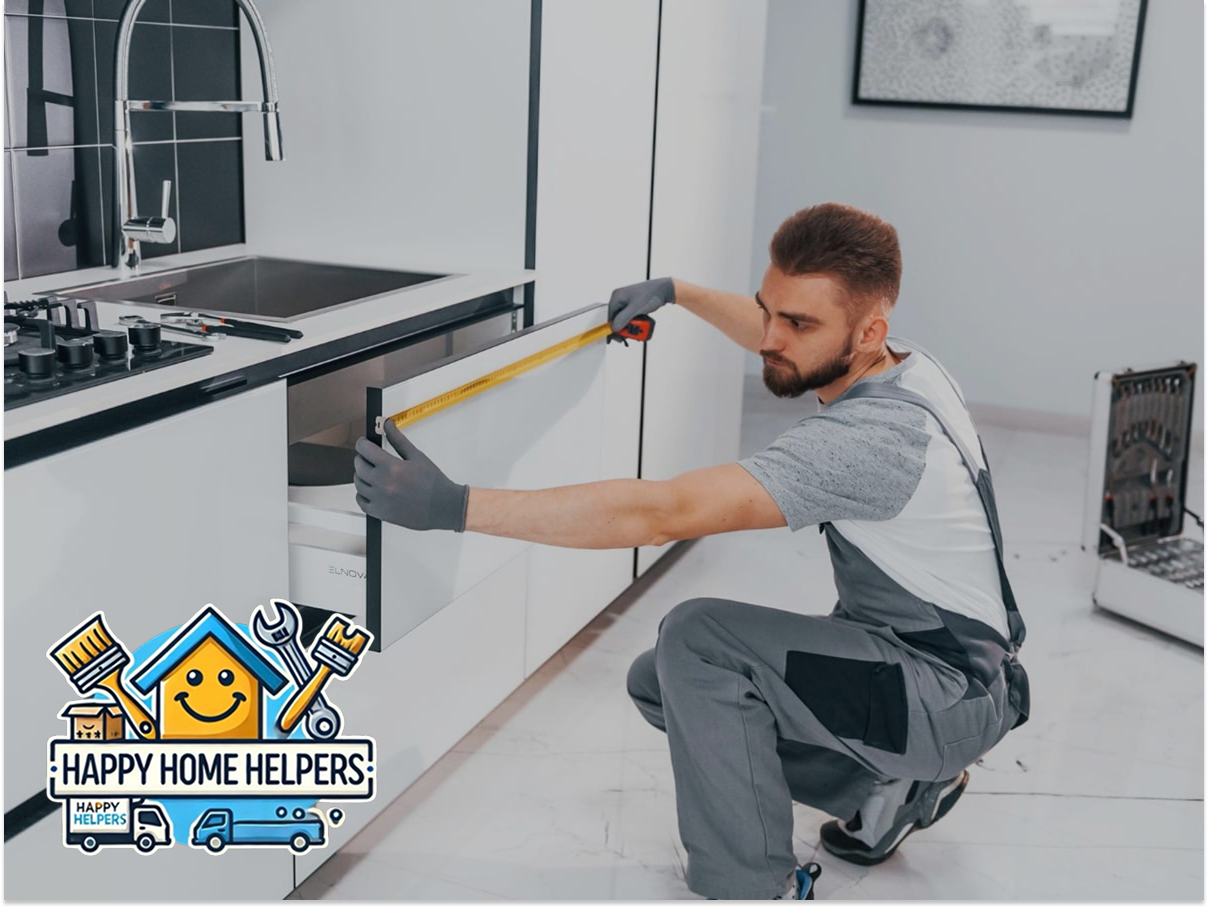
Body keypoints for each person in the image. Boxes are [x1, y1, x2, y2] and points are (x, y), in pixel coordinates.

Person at [353, 202, 1030, 901]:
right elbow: (781, 338)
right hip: (952, 676)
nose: (771, 335)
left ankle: (756, 886)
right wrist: (678, 293)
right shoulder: (906, 368)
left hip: (944, 694)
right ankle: (889, 785)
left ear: (868, 332)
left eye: (798, 323)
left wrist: (454, 506)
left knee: (699, 641)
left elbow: (664, 511)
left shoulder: (869, 441)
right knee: (662, 681)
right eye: (771, 309)